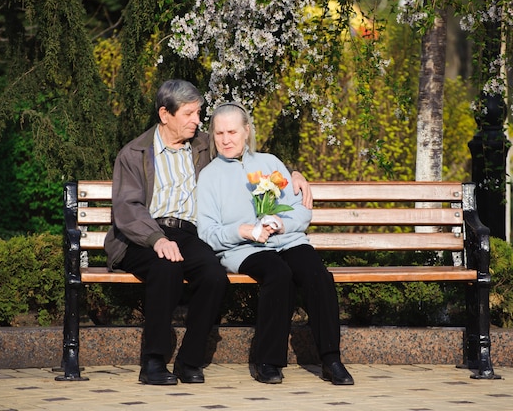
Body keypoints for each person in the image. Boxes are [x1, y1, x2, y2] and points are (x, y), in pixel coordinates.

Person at [104, 80, 312, 386]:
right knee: (166, 268)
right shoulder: (134, 153)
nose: (196, 120)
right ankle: (154, 361)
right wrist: (157, 239)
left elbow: (248, 155)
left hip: (187, 234)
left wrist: (294, 174)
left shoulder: (202, 145)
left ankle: (189, 361)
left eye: (198, 113)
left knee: (214, 275)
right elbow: (127, 208)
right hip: (142, 235)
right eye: (189, 114)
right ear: (165, 114)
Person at [196, 102, 354, 385]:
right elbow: (207, 232)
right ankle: (268, 360)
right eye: (219, 133)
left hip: (286, 240)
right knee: (278, 275)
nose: (226, 139)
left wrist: (284, 224)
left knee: (317, 275)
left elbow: (301, 210)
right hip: (243, 248)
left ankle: (331, 358)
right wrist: (242, 231)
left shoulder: (270, 163)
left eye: (232, 131)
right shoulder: (209, 177)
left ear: (247, 131)